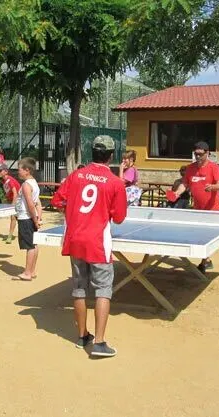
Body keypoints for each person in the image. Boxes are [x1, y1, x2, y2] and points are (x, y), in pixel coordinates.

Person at [51, 135, 127, 358]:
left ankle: (83, 336)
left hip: (75, 240)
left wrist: (72, 209)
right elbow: (120, 217)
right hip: (97, 243)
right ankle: (100, 342)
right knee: (103, 289)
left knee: (79, 288)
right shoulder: (115, 183)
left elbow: (57, 201)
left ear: (91, 152)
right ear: (112, 155)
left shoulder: (76, 175)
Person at [171, 141, 219, 272]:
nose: (198, 157)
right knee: (200, 234)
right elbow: (185, 184)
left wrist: (213, 187)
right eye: (196, 154)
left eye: (200, 154)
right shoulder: (190, 168)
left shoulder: (214, 167)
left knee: (208, 236)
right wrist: (177, 192)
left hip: (212, 208)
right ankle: (206, 260)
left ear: (207, 153)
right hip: (198, 208)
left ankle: (204, 261)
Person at [14, 157, 42, 281]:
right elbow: (38, 203)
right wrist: (38, 217)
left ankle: (27, 273)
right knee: (34, 244)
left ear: (27, 170)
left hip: (26, 218)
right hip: (31, 217)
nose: (18, 172)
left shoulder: (26, 185)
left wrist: (35, 220)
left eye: (19, 169)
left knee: (29, 246)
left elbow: (31, 204)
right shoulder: (34, 183)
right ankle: (32, 270)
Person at [0, 164, 21, 244]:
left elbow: (15, 193)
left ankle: (10, 237)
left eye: (1, 170)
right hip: (14, 200)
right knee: (18, 218)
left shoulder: (9, 180)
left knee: (13, 217)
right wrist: (6, 200)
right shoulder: (4, 181)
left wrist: (12, 205)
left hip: (19, 200)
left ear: (6, 171)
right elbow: (9, 192)